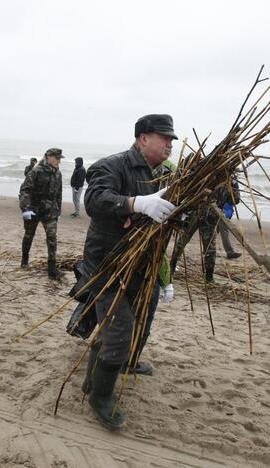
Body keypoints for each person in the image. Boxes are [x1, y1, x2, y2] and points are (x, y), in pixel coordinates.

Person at [79, 113, 177, 429]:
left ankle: (93, 379)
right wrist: (136, 203)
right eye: (164, 137)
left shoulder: (163, 174)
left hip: (139, 263)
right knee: (120, 330)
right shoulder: (112, 165)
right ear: (143, 138)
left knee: (125, 325)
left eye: (172, 139)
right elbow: (94, 200)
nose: (170, 144)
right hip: (107, 263)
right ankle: (100, 396)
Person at [19, 148, 63, 279]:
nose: (59, 161)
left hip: (50, 212)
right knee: (28, 236)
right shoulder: (36, 171)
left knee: (52, 238)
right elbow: (25, 190)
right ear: (48, 157)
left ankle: (51, 268)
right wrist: (26, 209)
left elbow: (59, 193)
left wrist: (58, 210)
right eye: (57, 158)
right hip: (34, 210)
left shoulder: (58, 173)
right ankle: (24, 260)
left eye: (60, 158)